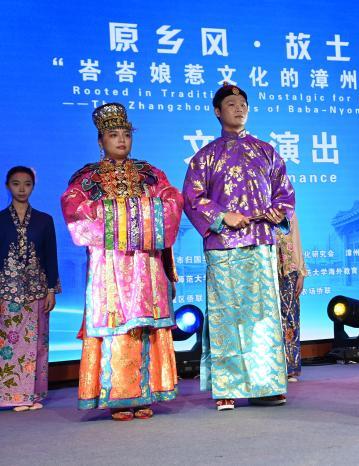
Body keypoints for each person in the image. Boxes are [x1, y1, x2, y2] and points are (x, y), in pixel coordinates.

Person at [61, 103, 183, 421]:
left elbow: (172, 202)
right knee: (116, 326)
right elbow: (75, 211)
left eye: (126, 134)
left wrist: (122, 214)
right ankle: (118, 397)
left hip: (146, 265)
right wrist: (138, 213)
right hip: (109, 266)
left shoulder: (150, 173)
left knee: (144, 324)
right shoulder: (87, 178)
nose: (121, 140)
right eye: (113, 135)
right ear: (100, 140)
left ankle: (147, 393)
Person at [182, 83, 295, 411]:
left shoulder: (266, 151)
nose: (239, 108)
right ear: (218, 112)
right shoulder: (205, 156)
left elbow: (285, 193)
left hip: (260, 242)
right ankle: (227, 386)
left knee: (262, 317)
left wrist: (276, 212)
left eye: (243, 103)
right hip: (223, 246)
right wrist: (222, 216)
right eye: (231, 104)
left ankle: (266, 385)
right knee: (226, 316)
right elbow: (192, 197)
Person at [0, 166, 59, 412]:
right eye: (16, 184)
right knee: (9, 344)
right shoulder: (1, 220)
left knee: (38, 343)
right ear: (7, 186)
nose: (22, 189)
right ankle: (12, 395)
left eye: (27, 184)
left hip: (38, 289)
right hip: (7, 290)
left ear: (33, 187)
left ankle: (34, 394)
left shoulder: (45, 220)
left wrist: (51, 289)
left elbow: (50, 256)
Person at [275, 213, 307, 382]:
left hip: (289, 270)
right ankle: (272, 368)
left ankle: (290, 367)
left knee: (290, 318)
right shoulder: (258, 207)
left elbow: (296, 241)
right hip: (265, 270)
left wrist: (301, 272)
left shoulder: (290, 212)